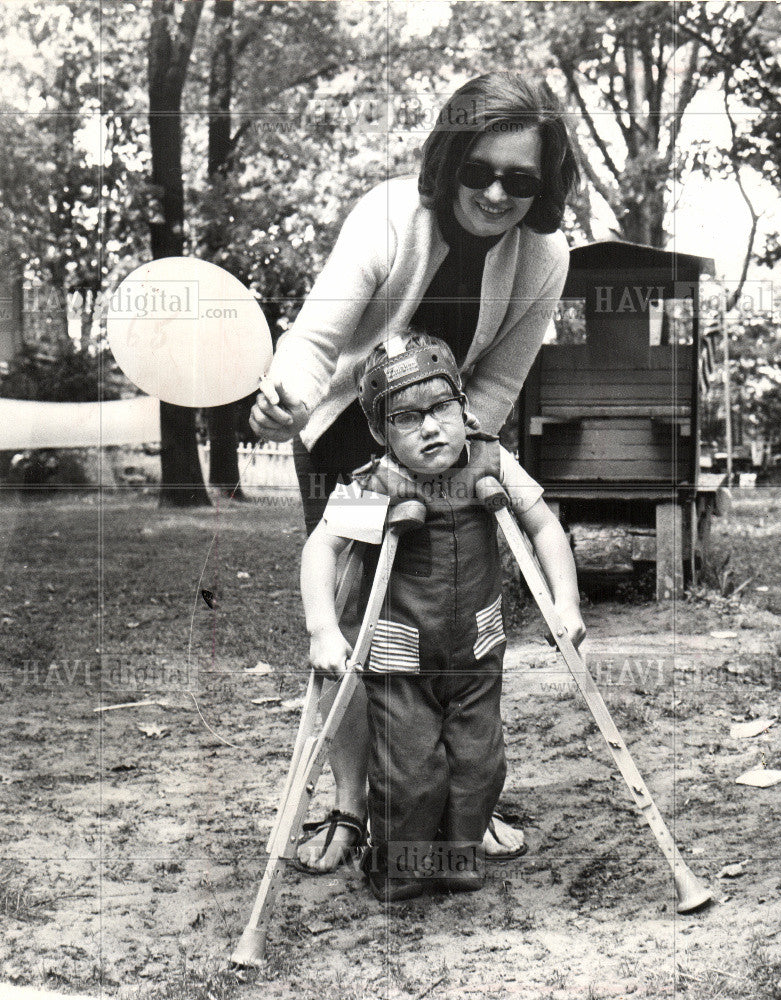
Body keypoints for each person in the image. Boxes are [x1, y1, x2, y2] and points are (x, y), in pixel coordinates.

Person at [250, 71, 580, 872]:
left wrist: (456, 466)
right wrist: (284, 393)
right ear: (450, 158)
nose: (497, 193)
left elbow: (498, 381)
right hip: (344, 435)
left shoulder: (544, 257)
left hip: (454, 446)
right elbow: (316, 336)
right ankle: (349, 807)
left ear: (543, 186)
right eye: (480, 171)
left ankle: (462, 799)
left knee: (450, 622)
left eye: (520, 179)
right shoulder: (390, 214)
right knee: (362, 627)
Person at [301, 333, 585, 901]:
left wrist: (565, 602)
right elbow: (322, 548)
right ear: (382, 434)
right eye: (407, 418)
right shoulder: (379, 482)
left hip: (477, 651)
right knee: (408, 772)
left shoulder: (492, 461)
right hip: (402, 655)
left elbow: (544, 526)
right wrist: (324, 627)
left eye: (440, 408)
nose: (430, 427)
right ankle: (398, 864)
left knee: (480, 764)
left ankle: (457, 856)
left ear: (464, 407)